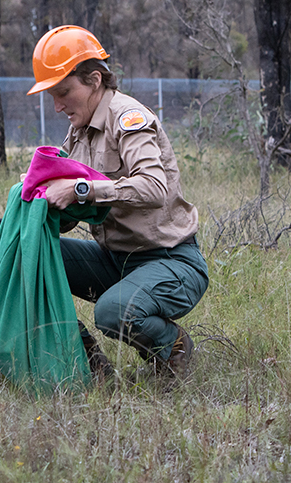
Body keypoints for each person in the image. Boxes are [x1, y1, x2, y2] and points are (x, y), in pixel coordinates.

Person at [27, 25, 209, 376]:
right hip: (116, 262)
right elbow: (69, 217)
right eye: (52, 95)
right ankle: (86, 361)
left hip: (171, 260)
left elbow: (154, 188)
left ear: (95, 80)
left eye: (63, 92)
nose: (57, 105)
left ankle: (173, 346)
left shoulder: (128, 118)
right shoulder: (78, 132)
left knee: (112, 312)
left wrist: (82, 189)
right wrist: (41, 193)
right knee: (33, 255)